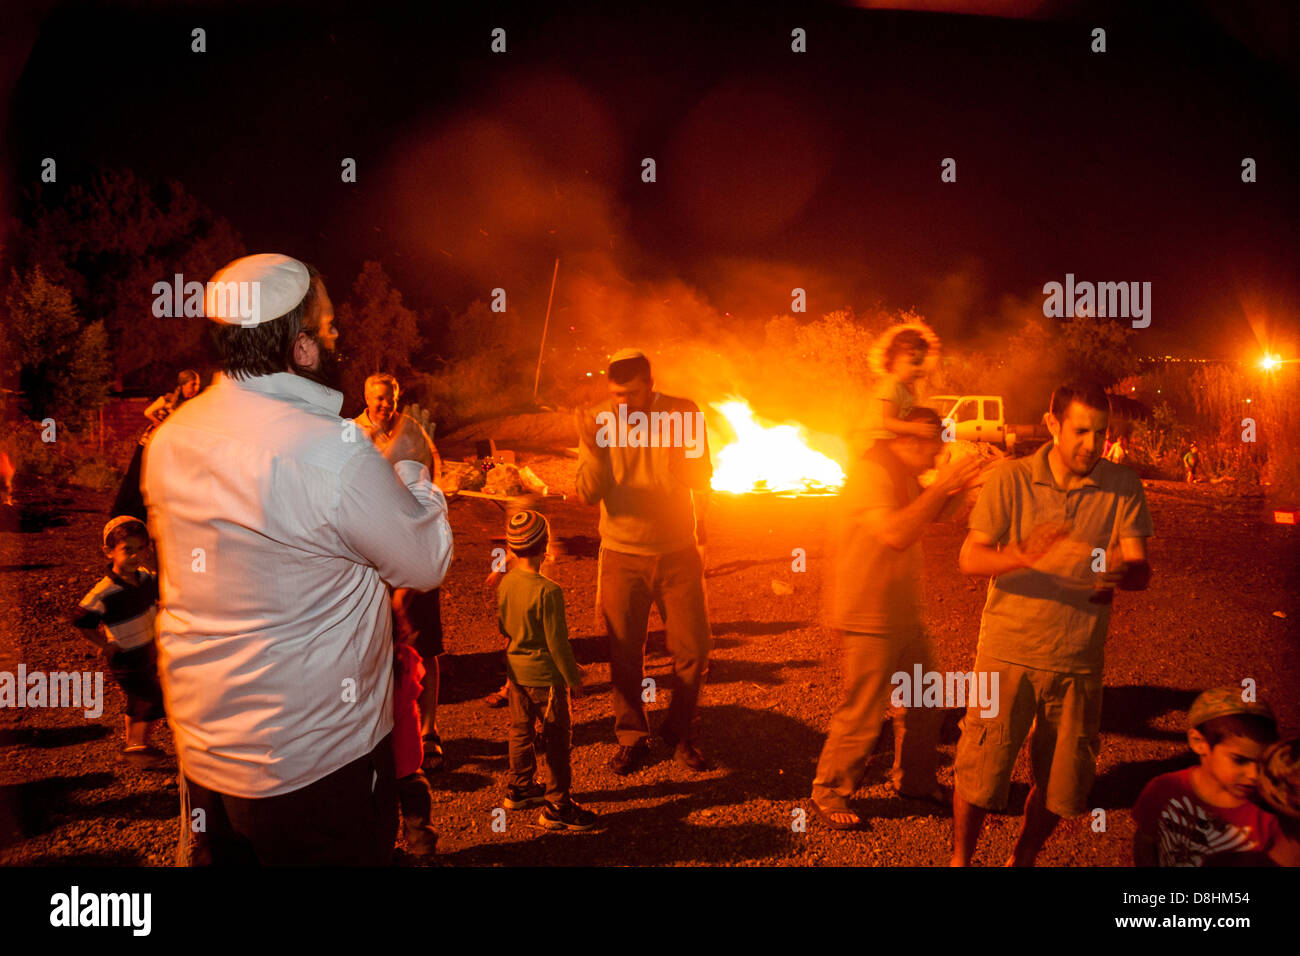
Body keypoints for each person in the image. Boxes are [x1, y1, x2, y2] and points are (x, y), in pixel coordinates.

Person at [143, 253, 453, 866]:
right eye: (331, 328)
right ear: (304, 348)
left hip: (207, 749)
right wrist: (415, 470)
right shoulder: (329, 449)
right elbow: (424, 562)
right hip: (317, 764)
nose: (339, 339)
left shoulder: (174, 436)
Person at [951, 380, 1154, 866]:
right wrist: (1025, 554)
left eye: (1101, 434)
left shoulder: (1123, 486)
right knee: (982, 769)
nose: (1092, 445)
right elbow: (969, 558)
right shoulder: (1011, 479)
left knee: (1063, 782)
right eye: (1081, 432)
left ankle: (1022, 859)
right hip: (1006, 649)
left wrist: (1126, 571)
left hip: (1079, 658)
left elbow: (1140, 569)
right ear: (1052, 425)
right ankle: (961, 860)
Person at [810, 407, 982, 829]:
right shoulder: (873, 472)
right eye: (935, 448)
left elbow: (938, 513)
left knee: (925, 701)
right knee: (865, 710)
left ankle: (915, 780)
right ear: (910, 442)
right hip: (867, 611)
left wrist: (964, 483)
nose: (938, 456)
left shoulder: (904, 474)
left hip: (901, 612)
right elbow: (897, 532)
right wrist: (943, 484)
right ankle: (829, 791)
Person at [575, 348, 714, 775]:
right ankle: (632, 736)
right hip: (621, 553)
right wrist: (598, 454)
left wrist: (678, 454)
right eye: (616, 395)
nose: (623, 404)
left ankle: (680, 732)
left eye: (631, 394)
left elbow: (702, 476)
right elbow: (586, 493)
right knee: (624, 653)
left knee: (693, 649)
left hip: (676, 552)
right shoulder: (599, 420)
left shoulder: (683, 413)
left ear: (651, 386)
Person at [355, 372, 448, 773]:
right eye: (377, 399)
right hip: (371, 556)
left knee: (424, 643)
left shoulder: (412, 429)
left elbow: (436, 473)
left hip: (412, 548)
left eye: (389, 399)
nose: (383, 406)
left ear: (397, 398)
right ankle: (378, 732)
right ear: (365, 398)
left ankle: (429, 732)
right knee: (371, 645)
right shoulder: (349, 434)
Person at [497, 510, 597, 830]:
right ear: (546, 544)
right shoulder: (548, 591)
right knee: (556, 740)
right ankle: (557, 805)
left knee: (520, 730)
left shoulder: (507, 582)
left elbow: (503, 626)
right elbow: (558, 644)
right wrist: (573, 677)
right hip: (546, 678)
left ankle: (520, 786)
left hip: (516, 671)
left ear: (512, 549)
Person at [1133, 688, 1300, 866]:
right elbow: (1145, 839)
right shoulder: (1163, 789)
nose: (1254, 775)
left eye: (1262, 762)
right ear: (1199, 743)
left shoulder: (1271, 818)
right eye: (1240, 760)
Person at [71, 516, 167, 766]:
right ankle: (137, 747)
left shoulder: (145, 578)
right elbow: (82, 619)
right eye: (128, 550)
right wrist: (103, 645)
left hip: (148, 651)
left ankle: (132, 743)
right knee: (153, 698)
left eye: (140, 549)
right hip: (126, 657)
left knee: (137, 701)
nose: (136, 556)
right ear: (109, 552)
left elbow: (162, 583)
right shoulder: (104, 592)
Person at [111, 369, 203, 522]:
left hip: (169, 448)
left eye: (198, 385)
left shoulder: (191, 405)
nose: (195, 388)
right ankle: (129, 512)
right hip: (149, 443)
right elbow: (148, 412)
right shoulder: (167, 399)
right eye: (193, 384)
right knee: (139, 477)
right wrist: (159, 422)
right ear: (183, 384)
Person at [392, 627, 439, 858]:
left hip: (380, 761)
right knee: (417, 806)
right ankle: (423, 851)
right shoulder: (407, 658)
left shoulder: (364, 669)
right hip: (409, 758)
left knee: (382, 811)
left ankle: (384, 851)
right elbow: (418, 681)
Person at [864, 323, 942, 445]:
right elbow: (888, 422)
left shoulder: (907, 386)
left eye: (921, 363)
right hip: (882, 443)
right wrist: (915, 428)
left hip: (895, 442)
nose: (918, 368)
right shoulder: (892, 385)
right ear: (894, 360)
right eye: (914, 363)